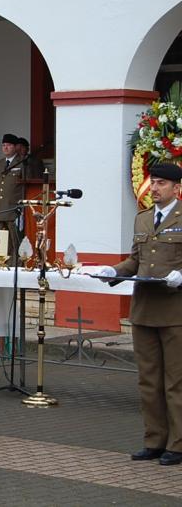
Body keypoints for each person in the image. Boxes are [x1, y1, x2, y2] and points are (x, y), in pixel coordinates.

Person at [98, 162, 182, 466]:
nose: (155, 188)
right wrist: (113, 272)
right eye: (153, 182)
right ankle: (154, 440)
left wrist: (181, 276)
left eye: (161, 183)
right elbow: (135, 261)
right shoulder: (143, 219)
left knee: (176, 381)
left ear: (176, 188)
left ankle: (178, 443)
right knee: (148, 381)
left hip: (175, 312)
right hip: (144, 309)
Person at [0, 133, 24, 264]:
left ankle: (15, 268)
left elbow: (25, 188)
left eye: (8, 145)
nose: (5, 148)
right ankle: (4, 266)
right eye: (3, 145)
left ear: (15, 147)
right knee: (2, 242)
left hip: (14, 209)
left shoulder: (22, 163)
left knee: (16, 243)